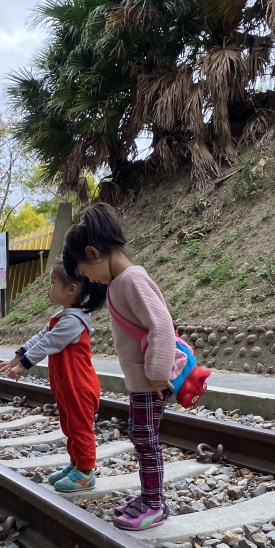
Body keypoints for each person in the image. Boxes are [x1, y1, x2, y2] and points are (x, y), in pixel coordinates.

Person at [62, 203, 210, 530]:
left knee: (145, 438)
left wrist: (157, 376)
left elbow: (160, 323)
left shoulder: (132, 279)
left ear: (93, 251)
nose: (90, 279)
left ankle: (155, 503)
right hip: (143, 381)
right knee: (141, 436)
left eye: (86, 272)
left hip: (150, 381)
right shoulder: (119, 283)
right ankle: (148, 497)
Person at [0, 262, 106, 492]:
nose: (49, 288)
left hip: (79, 385)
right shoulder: (62, 317)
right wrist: (18, 357)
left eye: (53, 282)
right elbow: (41, 337)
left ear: (71, 289)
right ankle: (76, 464)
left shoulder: (73, 322)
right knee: (69, 426)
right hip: (67, 385)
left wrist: (24, 364)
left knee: (79, 428)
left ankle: (86, 472)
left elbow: (50, 342)